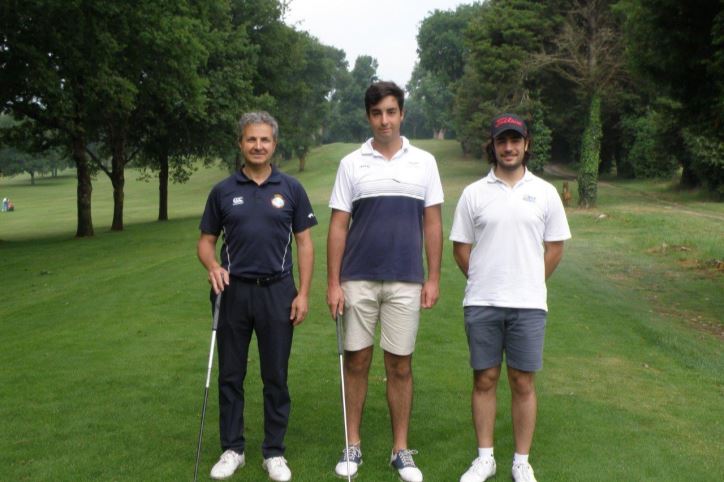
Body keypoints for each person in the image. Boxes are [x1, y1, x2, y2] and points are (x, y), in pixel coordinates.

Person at [327, 81, 444, 482]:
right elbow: (338, 226)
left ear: (402, 114)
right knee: (356, 360)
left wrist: (434, 277)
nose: (385, 120)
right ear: (368, 116)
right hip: (357, 278)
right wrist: (332, 283)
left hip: (406, 280)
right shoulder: (351, 163)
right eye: (377, 113)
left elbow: (432, 222)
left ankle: (401, 450)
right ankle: (353, 444)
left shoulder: (424, 162)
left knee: (400, 365)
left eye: (391, 112)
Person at [450, 113, 571, 482]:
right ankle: (485, 458)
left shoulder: (546, 193)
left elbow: (554, 248)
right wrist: (487, 278)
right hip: (482, 302)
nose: (508, 147)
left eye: (515, 140)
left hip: (529, 305)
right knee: (484, 378)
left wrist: (529, 279)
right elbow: (461, 247)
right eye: (502, 141)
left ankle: (521, 460)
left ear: (526, 145)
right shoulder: (474, 193)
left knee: (522, 381)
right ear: (493, 145)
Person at [197, 111, 317, 481]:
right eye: (251, 139)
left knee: (275, 376)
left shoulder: (291, 188)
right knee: (230, 374)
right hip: (232, 292)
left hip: (278, 292)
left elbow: (305, 243)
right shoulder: (223, 191)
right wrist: (213, 266)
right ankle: (232, 449)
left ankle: (274, 452)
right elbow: (205, 242)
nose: (258, 145)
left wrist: (304, 293)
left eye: (265, 140)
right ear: (241, 144)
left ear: (274, 144)